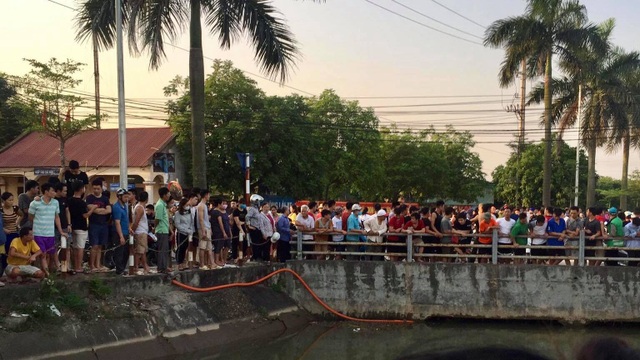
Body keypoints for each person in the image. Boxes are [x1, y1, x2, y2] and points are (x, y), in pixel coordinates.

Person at [29, 183, 65, 275]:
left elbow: (57, 217)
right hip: (38, 232)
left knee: (50, 254)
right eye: (52, 190)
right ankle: (45, 274)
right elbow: (31, 217)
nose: (54, 192)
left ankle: (46, 273)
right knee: (42, 254)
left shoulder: (55, 202)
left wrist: (60, 230)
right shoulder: (35, 203)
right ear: (46, 191)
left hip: (50, 233)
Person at [67, 181, 94, 273]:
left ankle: (75, 266)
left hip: (72, 226)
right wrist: (92, 209)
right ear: (81, 189)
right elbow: (85, 215)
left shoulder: (69, 200)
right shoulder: (82, 203)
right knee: (80, 248)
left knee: (75, 247)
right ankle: (79, 267)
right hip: (81, 227)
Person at [111, 188, 131, 276]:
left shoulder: (125, 207)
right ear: (119, 197)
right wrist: (121, 236)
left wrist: (129, 228)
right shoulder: (116, 207)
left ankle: (122, 268)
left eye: (127, 197)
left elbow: (125, 220)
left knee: (126, 252)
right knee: (119, 252)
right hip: (119, 233)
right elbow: (117, 222)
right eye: (125, 197)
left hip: (126, 232)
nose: (127, 199)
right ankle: (119, 269)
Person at [53, 182, 72, 273]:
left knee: (67, 247)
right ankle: (58, 265)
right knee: (55, 247)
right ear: (59, 191)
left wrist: (69, 224)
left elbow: (67, 211)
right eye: (64, 191)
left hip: (65, 226)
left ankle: (67, 265)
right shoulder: (53, 200)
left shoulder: (65, 199)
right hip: (54, 227)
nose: (66, 192)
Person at [174, 195, 196, 271]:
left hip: (188, 233)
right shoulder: (178, 213)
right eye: (186, 205)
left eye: (188, 205)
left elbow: (192, 222)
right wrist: (185, 230)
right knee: (180, 248)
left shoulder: (189, 213)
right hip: (181, 233)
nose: (187, 206)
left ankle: (184, 262)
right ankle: (179, 263)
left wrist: (191, 231)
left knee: (186, 248)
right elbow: (177, 224)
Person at [131, 191, 151, 275]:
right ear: (146, 199)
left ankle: (145, 266)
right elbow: (136, 221)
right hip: (140, 232)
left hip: (142, 231)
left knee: (143, 251)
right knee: (139, 251)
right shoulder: (140, 208)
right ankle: (135, 267)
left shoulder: (140, 207)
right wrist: (133, 230)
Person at [2, 192, 21, 274]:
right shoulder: (1, 210)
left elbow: (22, 215)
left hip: (15, 232)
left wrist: (17, 223)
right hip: (6, 234)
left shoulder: (15, 208)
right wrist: (4, 229)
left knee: (16, 251)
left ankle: (16, 270)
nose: (11, 202)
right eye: (9, 200)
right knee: (6, 252)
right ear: (4, 201)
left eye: (12, 200)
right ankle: (5, 269)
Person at [155, 187, 172, 273]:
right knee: (162, 249)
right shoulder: (160, 205)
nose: (169, 195)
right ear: (164, 195)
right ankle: (161, 267)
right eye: (168, 194)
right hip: (161, 230)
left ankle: (164, 266)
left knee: (165, 249)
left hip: (165, 229)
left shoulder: (163, 204)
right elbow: (158, 219)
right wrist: (155, 228)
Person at [210, 197, 230, 267]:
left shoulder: (224, 212)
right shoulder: (216, 212)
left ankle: (223, 259)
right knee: (218, 246)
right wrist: (224, 232)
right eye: (223, 203)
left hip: (225, 231)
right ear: (219, 204)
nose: (225, 205)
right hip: (218, 232)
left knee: (225, 245)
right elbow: (220, 223)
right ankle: (216, 260)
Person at [197, 189, 213, 269]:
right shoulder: (201, 206)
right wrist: (203, 230)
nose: (209, 196)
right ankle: (202, 264)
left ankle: (211, 263)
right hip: (203, 228)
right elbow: (200, 219)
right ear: (206, 195)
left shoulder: (205, 205)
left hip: (207, 227)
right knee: (202, 247)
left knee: (209, 247)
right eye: (209, 195)